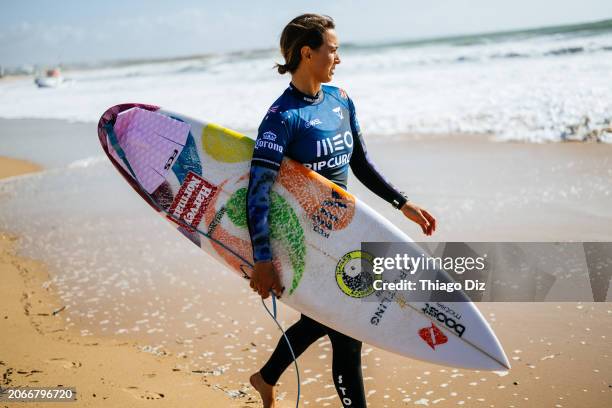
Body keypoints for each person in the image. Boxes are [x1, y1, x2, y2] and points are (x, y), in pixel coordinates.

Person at [246, 14, 436, 408]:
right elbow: (258, 193)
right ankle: (266, 377)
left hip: (347, 234)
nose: (338, 58)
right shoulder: (281, 118)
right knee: (348, 333)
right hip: (310, 244)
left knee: (332, 323)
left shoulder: (340, 100)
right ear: (307, 52)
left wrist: (402, 203)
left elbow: (360, 163)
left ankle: (265, 378)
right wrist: (262, 260)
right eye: (333, 49)